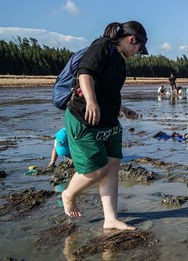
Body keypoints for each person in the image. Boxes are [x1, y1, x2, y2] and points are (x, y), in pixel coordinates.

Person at [62, 20, 149, 230]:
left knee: (112, 166)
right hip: (85, 119)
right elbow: (85, 73)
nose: (137, 52)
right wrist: (91, 101)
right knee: (96, 169)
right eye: (139, 48)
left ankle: (110, 219)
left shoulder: (118, 59)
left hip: (109, 121)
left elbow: (108, 90)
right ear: (132, 40)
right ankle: (68, 194)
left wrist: (122, 108)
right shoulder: (102, 46)